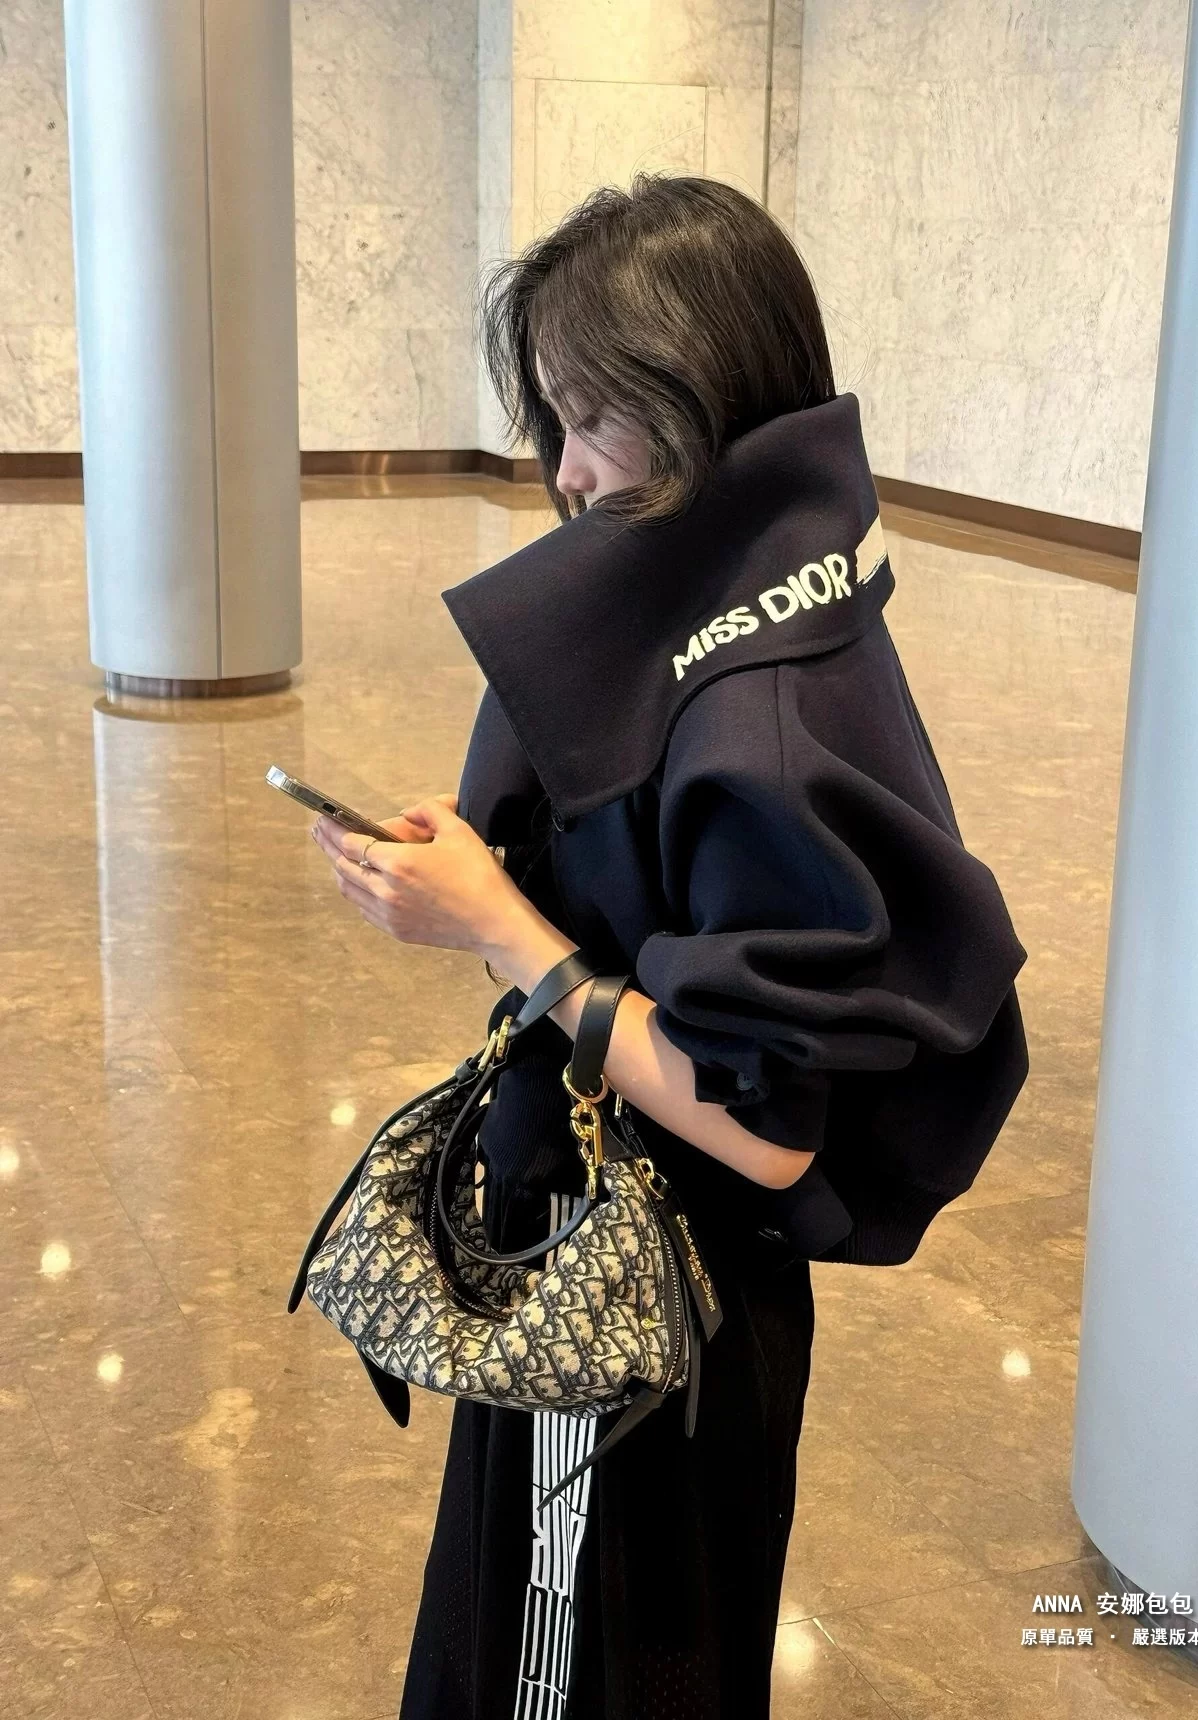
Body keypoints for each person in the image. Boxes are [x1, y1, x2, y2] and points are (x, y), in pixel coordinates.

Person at [311, 172, 1029, 1720]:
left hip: (644, 1303)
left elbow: (765, 1126)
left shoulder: (751, 710)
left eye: (594, 419)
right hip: (624, 1272)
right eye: (552, 420)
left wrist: (500, 928)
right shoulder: (741, 605)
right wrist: (487, 885)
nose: (566, 472)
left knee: (573, 1673)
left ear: (704, 398)